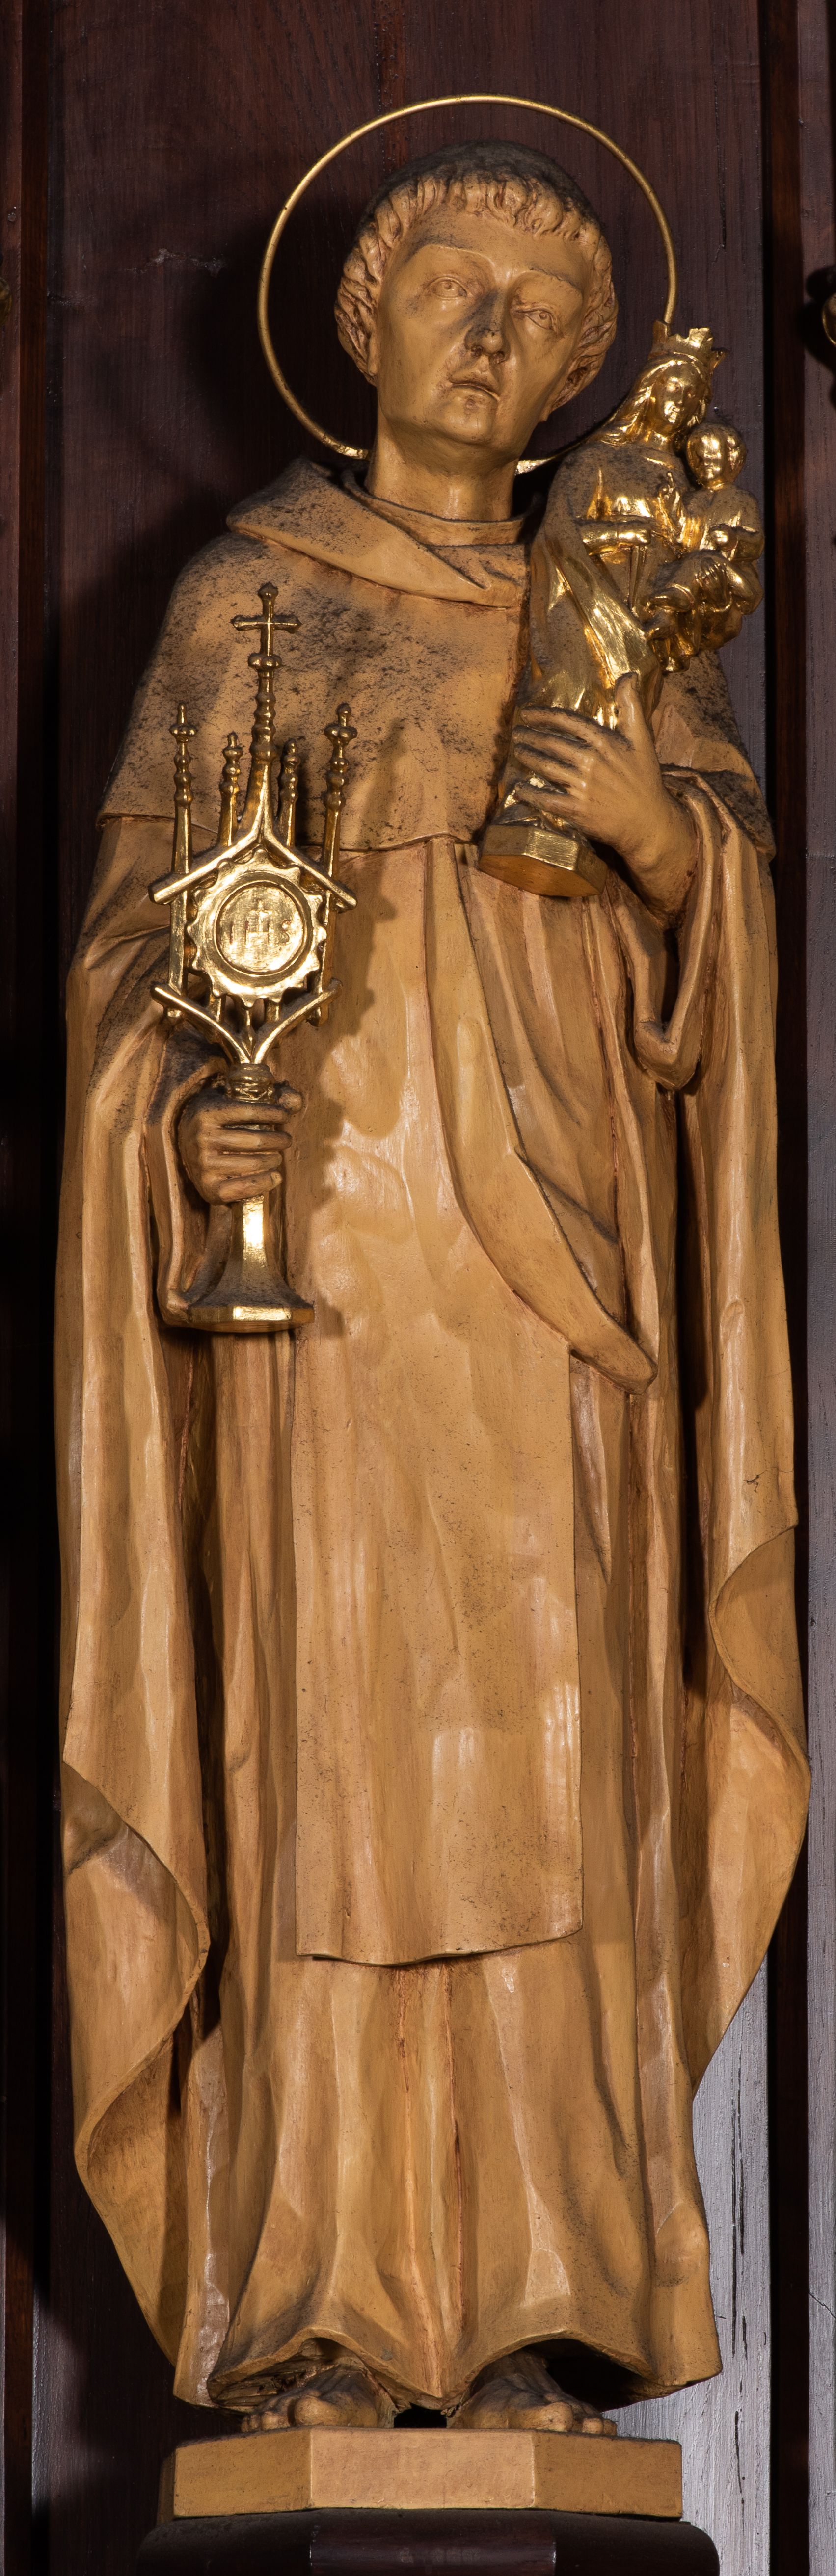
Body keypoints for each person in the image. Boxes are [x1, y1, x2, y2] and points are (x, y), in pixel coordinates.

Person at [57, 140, 808, 2437]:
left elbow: (730, 961)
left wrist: (665, 843)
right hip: (330, 1292)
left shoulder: (622, 610)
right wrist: (178, 1127)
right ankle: (313, 2293)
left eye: (542, 318)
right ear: (365, 323)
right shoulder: (251, 604)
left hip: (558, 1286)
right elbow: (133, 962)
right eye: (455, 287)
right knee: (334, 1769)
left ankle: (529, 2291)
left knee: (557, 1773)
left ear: (578, 378)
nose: (493, 336)